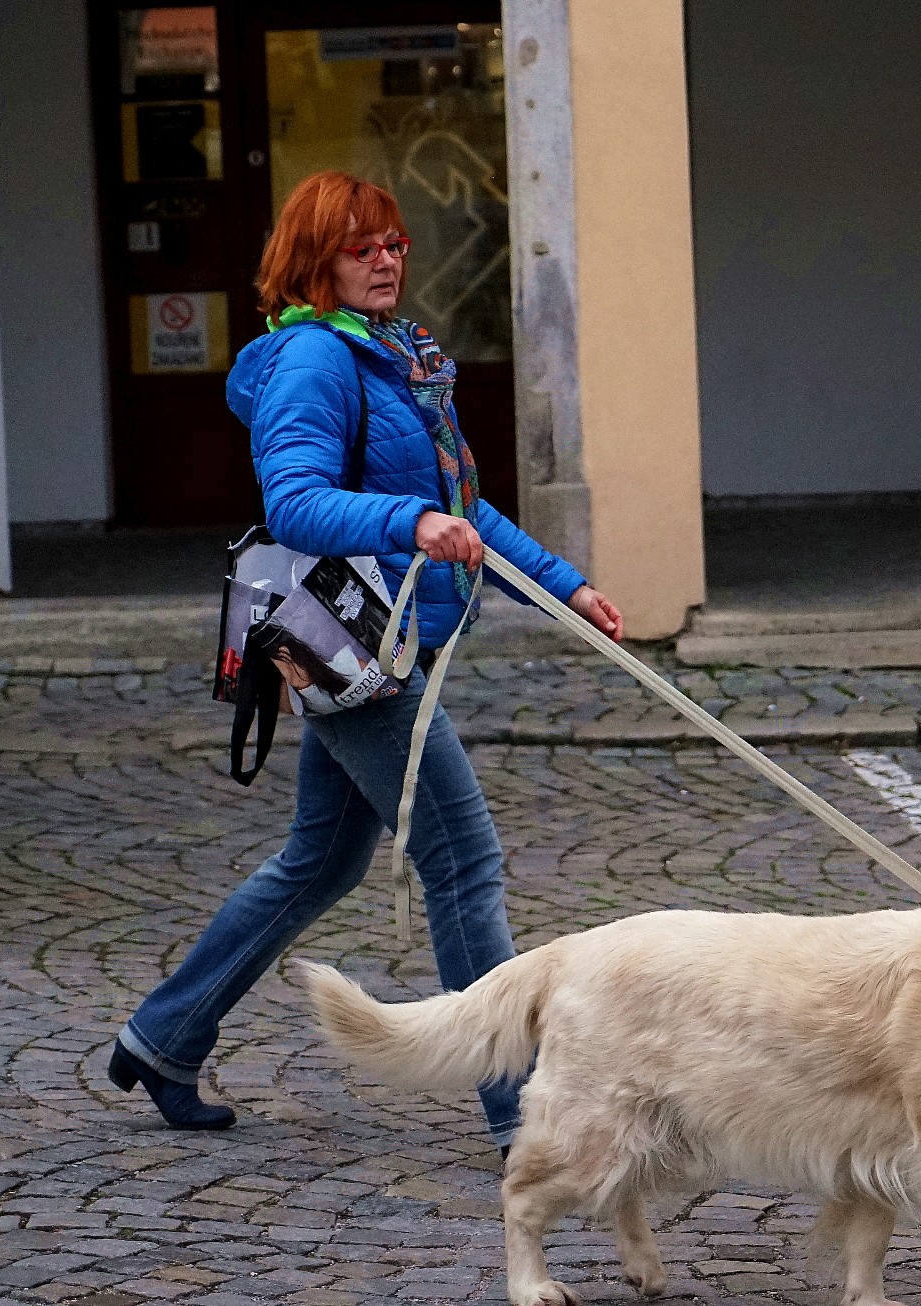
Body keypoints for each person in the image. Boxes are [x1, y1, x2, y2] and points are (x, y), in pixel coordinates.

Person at [107, 171, 621, 1152]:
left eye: (392, 243)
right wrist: (409, 519)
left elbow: (463, 514)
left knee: (321, 857)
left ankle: (161, 1035)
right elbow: (295, 499)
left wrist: (565, 587)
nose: (384, 260)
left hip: (373, 640)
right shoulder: (312, 358)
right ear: (314, 263)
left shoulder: (397, 358)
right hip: (350, 647)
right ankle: (522, 1113)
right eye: (360, 247)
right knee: (461, 860)